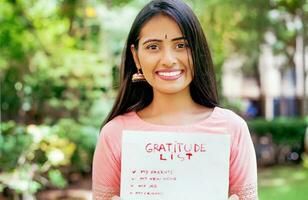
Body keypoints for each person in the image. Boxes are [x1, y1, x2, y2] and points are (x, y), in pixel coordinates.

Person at [92, 0, 258, 199]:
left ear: (197, 51)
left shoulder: (232, 128)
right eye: (153, 47)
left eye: (181, 45)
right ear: (136, 57)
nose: (168, 59)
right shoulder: (114, 134)